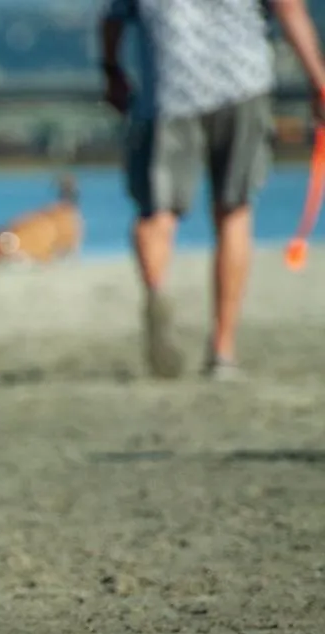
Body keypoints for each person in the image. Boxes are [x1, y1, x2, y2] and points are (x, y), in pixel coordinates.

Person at [99, 0, 325, 380]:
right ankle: (222, 350)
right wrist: (317, 78)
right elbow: (288, 8)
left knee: (156, 215)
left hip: (167, 89)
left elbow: (112, 20)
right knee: (234, 211)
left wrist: (112, 72)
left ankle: (157, 293)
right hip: (242, 81)